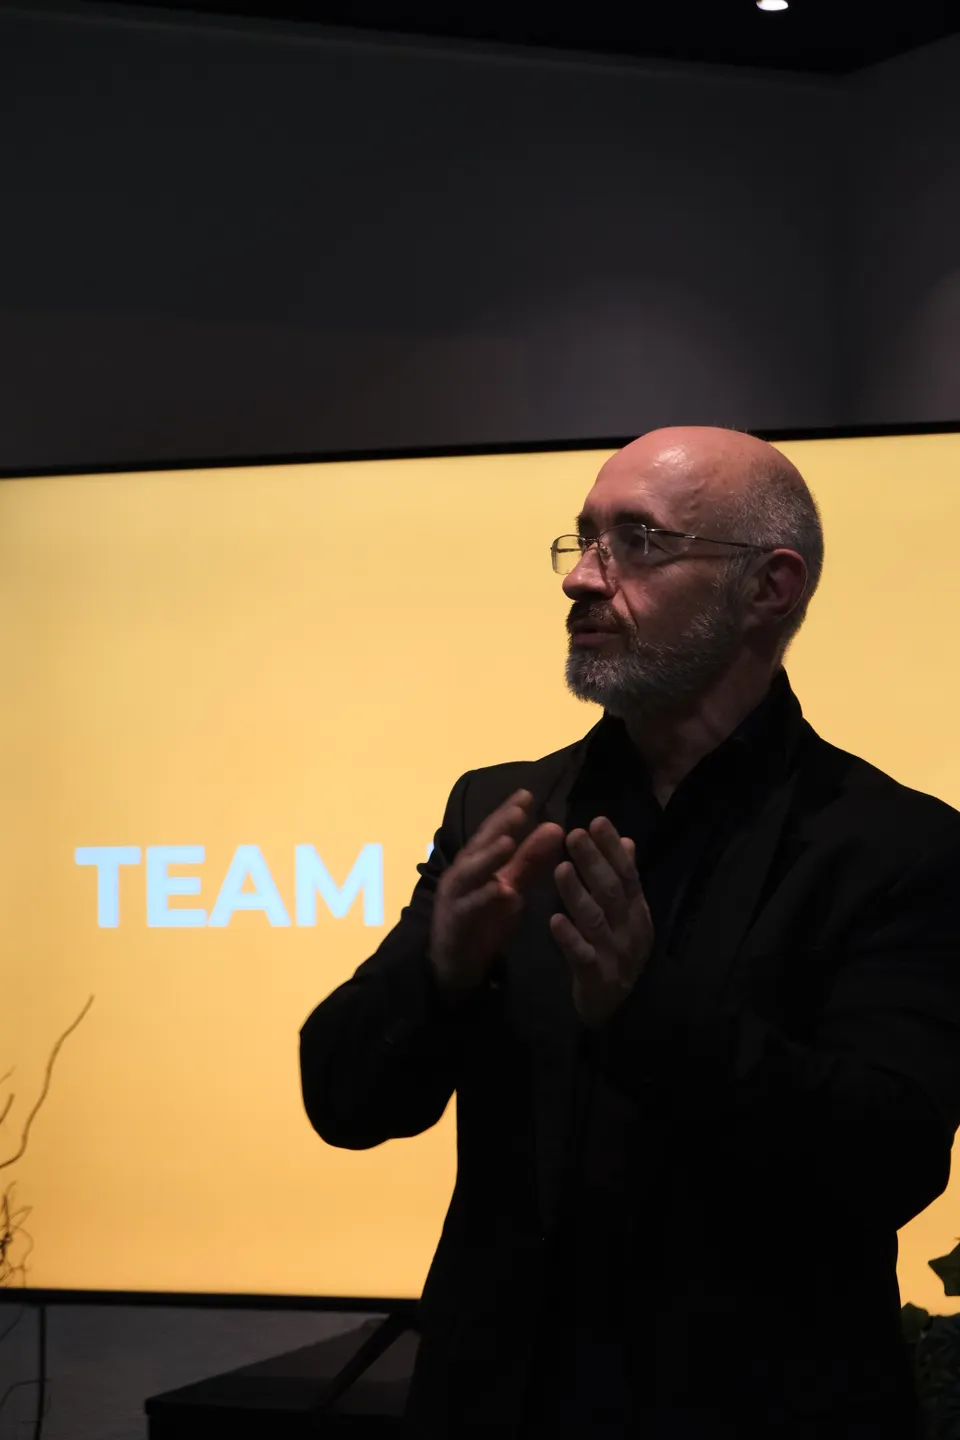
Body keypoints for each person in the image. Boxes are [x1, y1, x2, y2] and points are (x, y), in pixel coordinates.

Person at [299, 426, 960, 1439]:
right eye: (583, 540)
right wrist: (438, 973)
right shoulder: (502, 811)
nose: (582, 579)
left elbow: (891, 1159)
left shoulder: (895, 845)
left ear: (770, 587)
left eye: (639, 542)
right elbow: (342, 1099)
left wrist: (647, 1014)